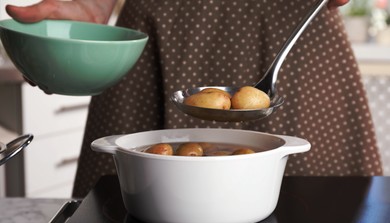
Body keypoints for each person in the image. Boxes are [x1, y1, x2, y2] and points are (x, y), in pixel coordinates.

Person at [6, 0, 383, 198]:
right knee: (117, 220)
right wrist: (93, 3)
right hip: (160, 20)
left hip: (295, 25)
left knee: (324, 215)